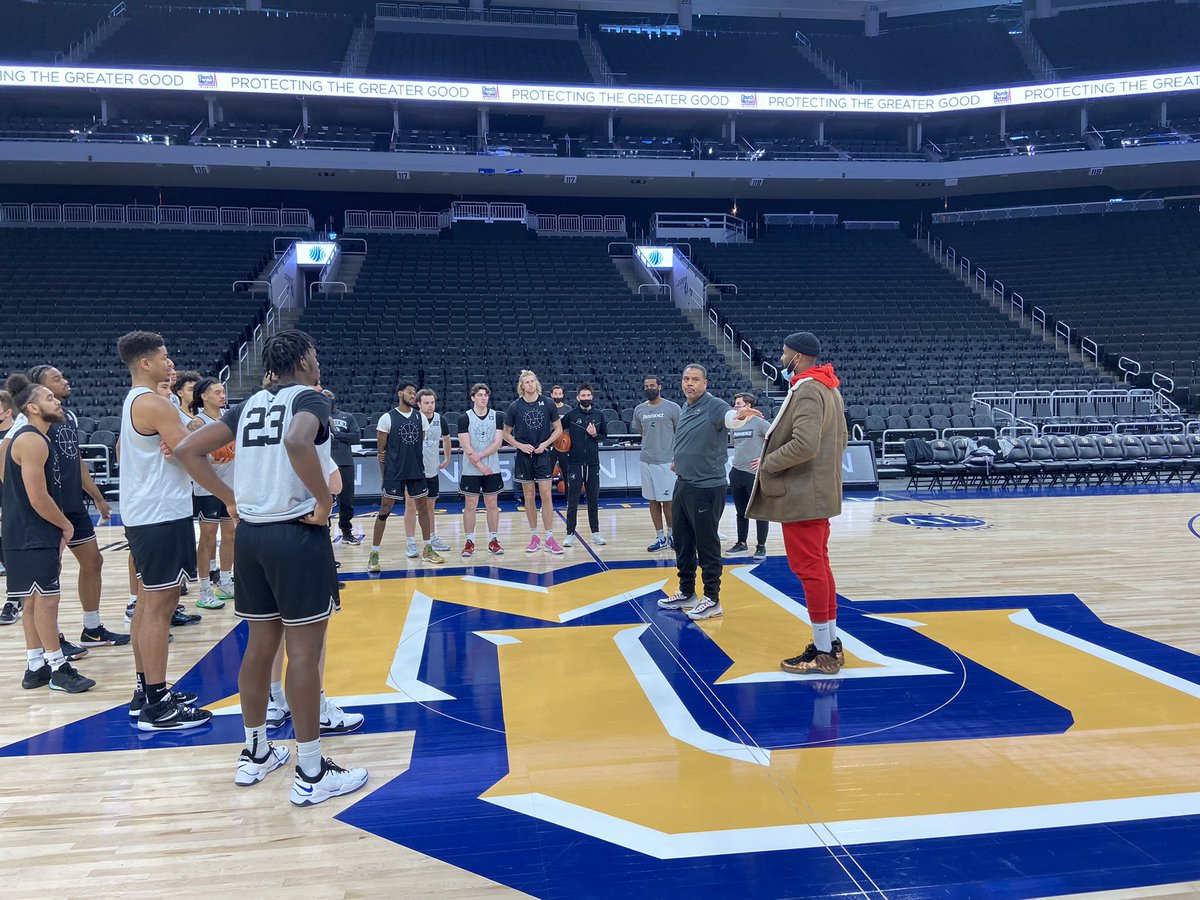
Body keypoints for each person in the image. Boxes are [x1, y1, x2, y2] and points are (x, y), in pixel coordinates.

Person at [176, 329, 367, 805]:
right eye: (316, 354)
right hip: (295, 534)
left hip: (253, 538)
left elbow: (186, 451)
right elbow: (300, 441)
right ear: (303, 360)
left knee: (261, 648)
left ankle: (257, 751)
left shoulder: (248, 405)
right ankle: (311, 770)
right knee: (303, 653)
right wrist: (323, 500)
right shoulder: (310, 398)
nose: (318, 363)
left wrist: (228, 498)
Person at [117, 331, 210, 731]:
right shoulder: (153, 403)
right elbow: (193, 452)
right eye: (165, 358)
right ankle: (157, 704)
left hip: (146, 511)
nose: (171, 364)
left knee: (148, 603)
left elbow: (130, 450)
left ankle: (145, 693)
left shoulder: (140, 401)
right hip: (159, 513)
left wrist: (184, 435)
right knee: (159, 605)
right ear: (145, 363)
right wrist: (190, 440)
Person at [1, 365, 125, 653]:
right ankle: (52, 642)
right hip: (45, 509)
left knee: (93, 561)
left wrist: (97, 495)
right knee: (45, 582)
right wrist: (24, 500)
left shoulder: (66, 416)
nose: (65, 382)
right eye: (56, 379)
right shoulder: (25, 425)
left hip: (73, 505)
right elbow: (5, 462)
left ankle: (92, 628)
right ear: (38, 391)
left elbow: (75, 459)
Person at [747, 332, 848, 676]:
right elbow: (842, 440)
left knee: (809, 569)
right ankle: (830, 643)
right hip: (820, 492)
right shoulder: (829, 387)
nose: (781, 357)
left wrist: (770, 461)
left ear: (798, 356)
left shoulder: (807, 389)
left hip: (804, 495)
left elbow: (804, 445)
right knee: (820, 566)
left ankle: (822, 653)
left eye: (784, 352)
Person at [3, 374, 94, 693]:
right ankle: (57, 667)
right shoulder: (31, 440)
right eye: (48, 398)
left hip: (20, 533)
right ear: (32, 407)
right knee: (46, 601)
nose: (56, 400)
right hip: (33, 533)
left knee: (31, 601)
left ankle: (35, 668)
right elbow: (38, 497)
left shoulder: (31, 438)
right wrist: (65, 524)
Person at [657, 364, 731, 621]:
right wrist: (680, 459)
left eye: (695, 379)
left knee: (707, 544)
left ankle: (712, 598)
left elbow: (730, 418)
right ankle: (687, 592)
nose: (689, 383)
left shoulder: (715, 405)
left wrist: (741, 416)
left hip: (707, 487)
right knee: (683, 541)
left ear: (705, 383)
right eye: (686, 379)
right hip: (684, 483)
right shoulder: (687, 406)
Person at [369, 381, 443, 570]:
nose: (413, 396)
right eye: (410, 393)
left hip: (416, 471)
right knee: (385, 510)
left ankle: (427, 549)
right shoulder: (387, 418)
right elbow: (381, 452)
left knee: (423, 509)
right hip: (394, 473)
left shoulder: (421, 419)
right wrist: (384, 477)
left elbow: (419, 444)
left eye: (414, 393)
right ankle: (374, 554)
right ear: (400, 393)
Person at [503, 370, 563, 555]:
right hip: (524, 455)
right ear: (522, 385)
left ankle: (550, 538)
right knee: (528, 496)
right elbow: (506, 433)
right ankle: (534, 536)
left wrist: (545, 444)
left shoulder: (548, 403)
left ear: (536, 383)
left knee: (546, 495)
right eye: (527, 382)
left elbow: (558, 429)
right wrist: (520, 445)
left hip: (542, 454)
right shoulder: (514, 406)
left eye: (532, 381)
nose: (530, 384)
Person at [189, 377, 236, 610]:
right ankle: (205, 589)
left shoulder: (231, 420)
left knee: (230, 535)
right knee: (208, 538)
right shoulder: (197, 423)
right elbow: (190, 453)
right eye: (216, 392)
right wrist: (211, 451)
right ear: (204, 396)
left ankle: (226, 582)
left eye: (222, 391)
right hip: (207, 488)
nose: (221, 395)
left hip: (231, 487)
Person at [633, 375, 681, 552]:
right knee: (652, 501)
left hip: (666, 462)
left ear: (659, 387)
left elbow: (680, 433)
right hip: (646, 461)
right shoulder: (639, 409)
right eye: (646, 386)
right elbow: (641, 432)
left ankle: (673, 536)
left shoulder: (673, 408)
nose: (649, 388)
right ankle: (660, 537)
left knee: (667, 502)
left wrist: (677, 457)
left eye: (652, 385)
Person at [457, 383, 505, 558]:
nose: (483, 398)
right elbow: (466, 445)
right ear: (473, 397)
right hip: (472, 470)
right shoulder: (465, 418)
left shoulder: (497, 416)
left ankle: (493, 540)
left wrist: (482, 458)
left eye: (485, 395)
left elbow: (498, 442)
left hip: (492, 468)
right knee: (471, 506)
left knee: (492, 505)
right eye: (480, 395)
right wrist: (480, 465)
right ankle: (469, 542)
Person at [559, 384, 607, 548]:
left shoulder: (599, 415)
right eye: (583, 396)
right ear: (578, 397)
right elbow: (558, 429)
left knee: (593, 501)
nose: (586, 398)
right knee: (572, 501)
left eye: (588, 395)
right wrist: (560, 443)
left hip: (593, 464)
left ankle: (595, 533)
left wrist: (595, 435)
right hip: (574, 463)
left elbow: (603, 437)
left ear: (591, 397)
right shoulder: (571, 415)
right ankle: (570, 534)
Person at [725, 392, 770, 561]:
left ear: (748, 406)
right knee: (740, 512)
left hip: (754, 474)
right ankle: (741, 543)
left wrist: (764, 459)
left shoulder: (760, 423)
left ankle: (761, 546)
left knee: (759, 512)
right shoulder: (734, 425)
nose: (735, 407)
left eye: (738, 404)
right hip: (737, 471)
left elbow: (776, 440)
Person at [406, 388, 451, 556]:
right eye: (426, 403)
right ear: (418, 404)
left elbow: (446, 439)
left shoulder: (441, 420)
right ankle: (410, 542)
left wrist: (447, 458)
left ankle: (433, 538)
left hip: (432, 469)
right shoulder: (412, 418)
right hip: (413, 470)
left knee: (430, 506)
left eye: (432, 402)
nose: (430, 406)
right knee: (410, 506)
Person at [328, 392, 362, 545]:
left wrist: (337, 434)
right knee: (324, 499)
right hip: (325, 463)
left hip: (344, 462)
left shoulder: (347, 417)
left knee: (347, 499)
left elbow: (355, 437)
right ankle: (324, 531)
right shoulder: (315, 418)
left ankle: (346, 532)